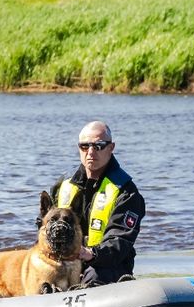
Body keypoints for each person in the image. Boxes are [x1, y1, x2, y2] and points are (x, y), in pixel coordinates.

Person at [42, 120, 145, 286]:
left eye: (98, 146)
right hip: (65, 261)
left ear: (111, 148)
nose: (90, 152)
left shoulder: (126, 192)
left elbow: (120, 241)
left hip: (107, 264)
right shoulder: (63, 187)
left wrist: (91, 254)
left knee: (94, 275)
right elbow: (44, 228)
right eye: (85, 146)